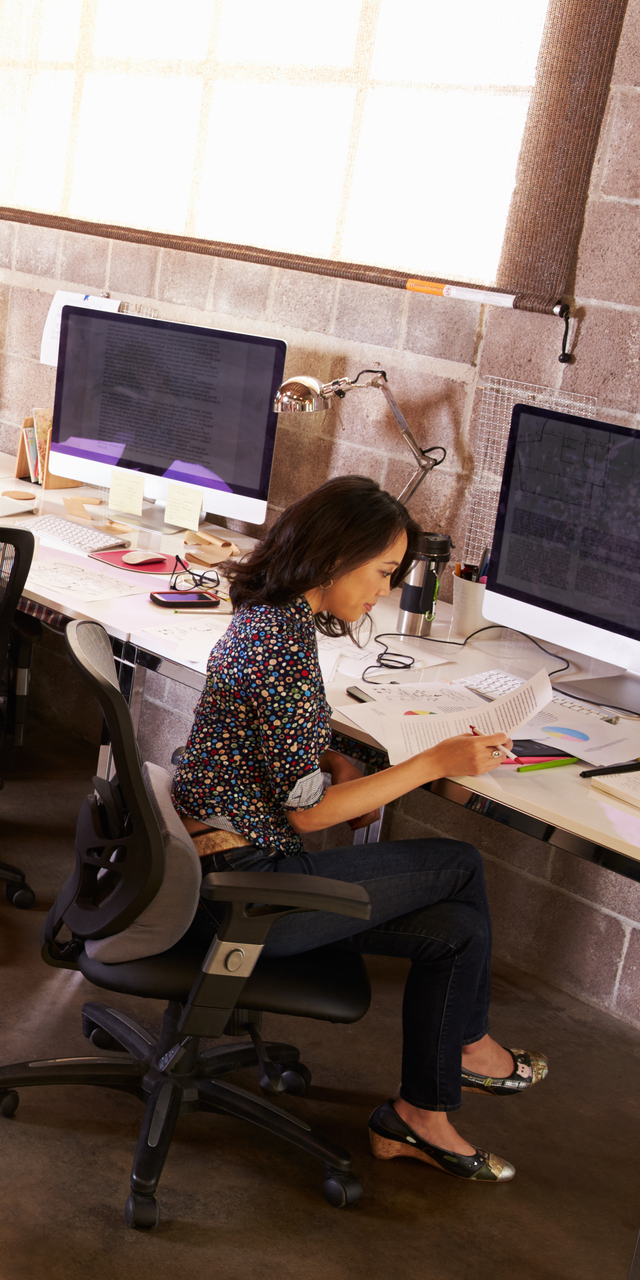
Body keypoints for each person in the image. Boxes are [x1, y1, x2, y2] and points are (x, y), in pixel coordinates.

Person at [170, 475, 547, 1184]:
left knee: (458, 932)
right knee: (459, 863)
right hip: (245, 893)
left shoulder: (266, 621)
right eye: (381, 572)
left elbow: (268, 747)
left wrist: (330, 759)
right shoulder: (282, 647)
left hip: (213, 864)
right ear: (333, 557)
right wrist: (431, 762)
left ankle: (419, 1115)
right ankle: (468, 1050)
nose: (384, 591)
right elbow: (308, 815)